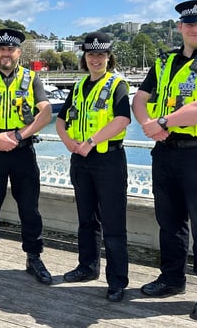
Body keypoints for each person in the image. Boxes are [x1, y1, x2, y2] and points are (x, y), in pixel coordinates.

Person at [131, 0, 197, 320]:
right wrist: (148, 124)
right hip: (165, 153)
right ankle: (172, 278)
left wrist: (162, 122)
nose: (194, 29)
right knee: (169, 221)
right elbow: (140, 98)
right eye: (188, 24)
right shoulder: (163, 63)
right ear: (179, 28)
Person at [0, 28, 53, 285]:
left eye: (11, 49)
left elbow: (45, 113)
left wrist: (17, 137)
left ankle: (33, 257)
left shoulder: (32, 78)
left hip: (22, 150)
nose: (6, 53)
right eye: (2, 49)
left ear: (18, 52)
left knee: (29, 207)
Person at [55, 32, 130, 302]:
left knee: (113, 223)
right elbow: (61, 121)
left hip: (108, 160)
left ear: (109, 57)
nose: (95, 60)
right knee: (86, 219)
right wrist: (67, 142)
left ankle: (117, 280)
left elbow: (122, 120)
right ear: (84, 58)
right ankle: (87, 267)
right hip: (81, 160)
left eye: (100, 55)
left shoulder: (117, 84)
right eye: (90, 55)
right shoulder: (78, 87)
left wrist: (90, 141)